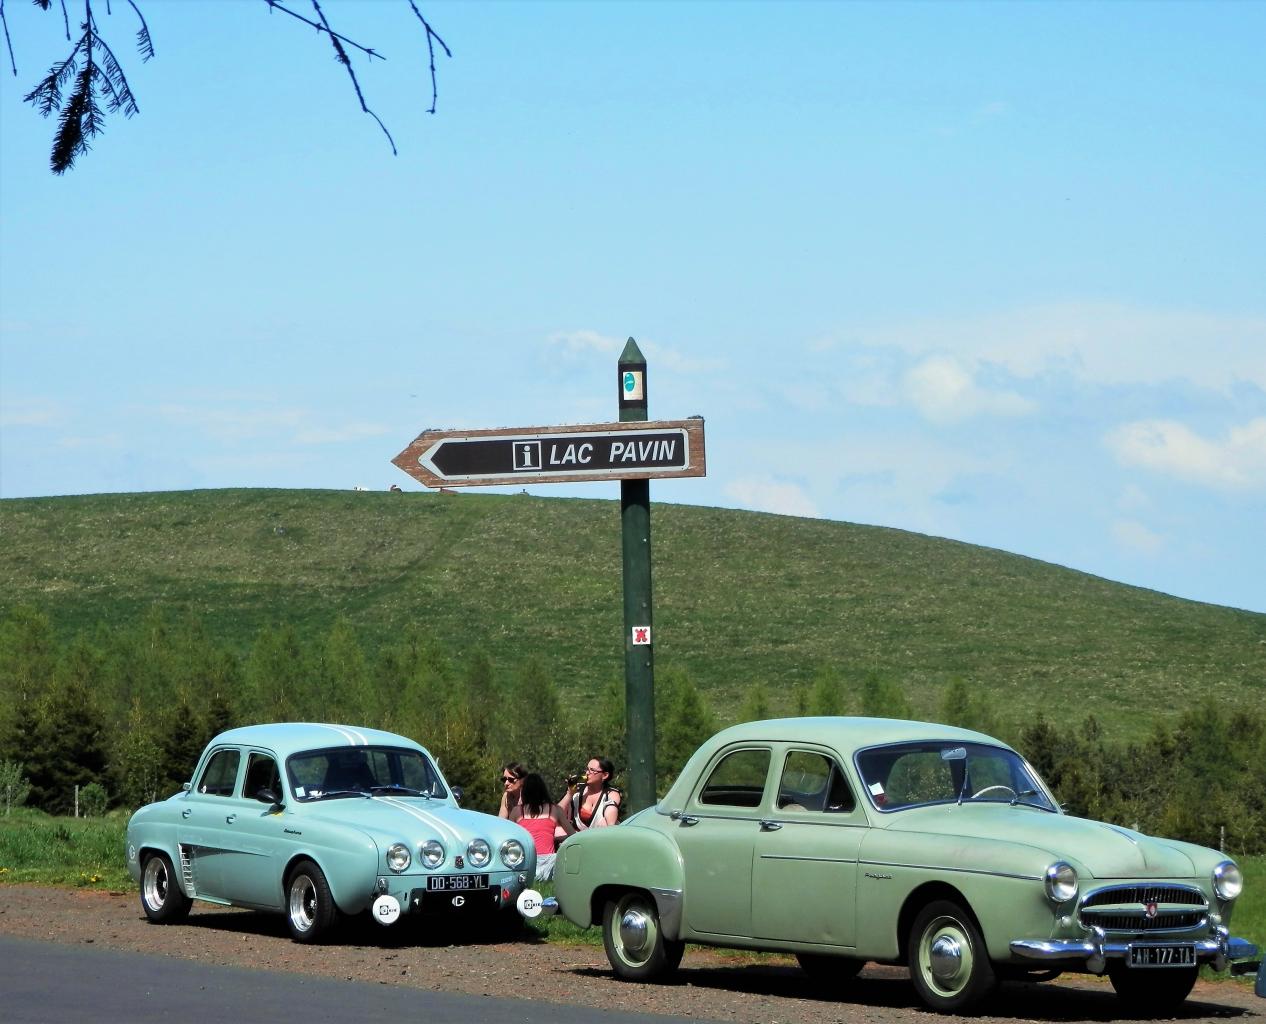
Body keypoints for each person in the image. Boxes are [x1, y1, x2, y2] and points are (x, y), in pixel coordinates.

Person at [509, 773, 573, 881]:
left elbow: (509, 838)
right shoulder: (555, 810)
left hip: (525, 863)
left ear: (524, 791)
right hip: (549, 865)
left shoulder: (516, 811)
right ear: (543, 790)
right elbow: (572, 834)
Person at [565, 756, 621, 830]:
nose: (587, 773)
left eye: (592, 770)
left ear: (605, 775)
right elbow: (558, 815)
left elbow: (611, 822)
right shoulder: (577, 790)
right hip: (575, 836)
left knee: (604, 823)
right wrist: (569, 794)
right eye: (587, 769)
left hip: (598, 836)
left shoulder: (611, 794)